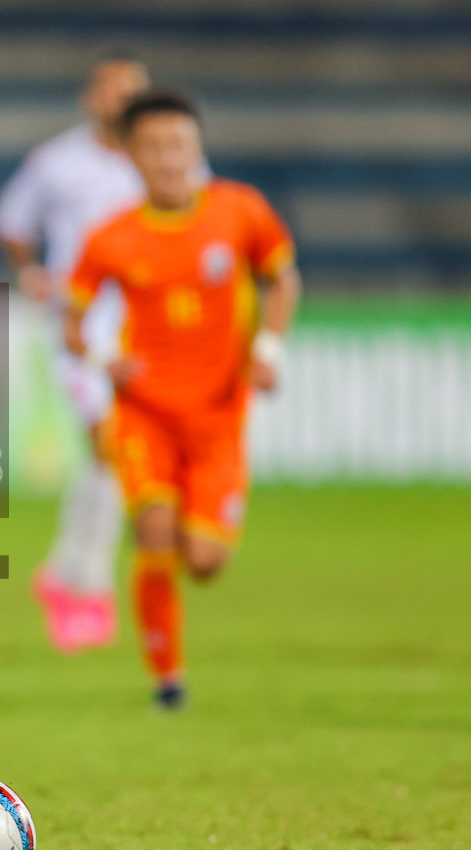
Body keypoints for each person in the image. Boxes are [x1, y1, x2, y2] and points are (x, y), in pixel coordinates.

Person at [65, 89, 301, 709]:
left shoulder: (240, 211)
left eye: (179, 145)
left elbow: (283, 277)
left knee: (203, 561)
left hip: (219, 419)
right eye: (154, 147)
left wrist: (269, 351)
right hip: (143, 413)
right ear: (131, 157)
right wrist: (103, 358)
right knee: (155, 528)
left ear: (197, 148)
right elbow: (73, 319)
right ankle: (167, 679)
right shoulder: (111, 237)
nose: (168, 158)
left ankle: (169, 567)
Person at [0, 52, 150, 653]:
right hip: (80, 324)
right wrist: (31, 270)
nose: (123, 101)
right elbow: (11, 221)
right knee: (112, 441)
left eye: (133, 90)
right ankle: (90, 584)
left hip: (144, 326)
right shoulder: (58, 162)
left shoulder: (162, 159)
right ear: (93, 98)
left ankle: (64, 574)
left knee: (112, 453)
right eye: (113, 90)